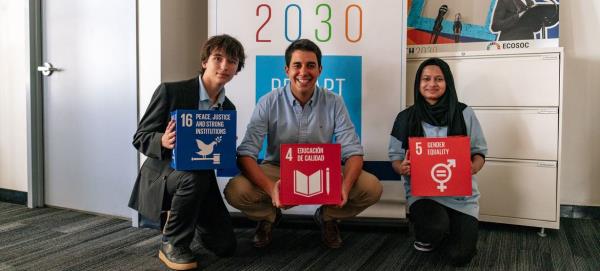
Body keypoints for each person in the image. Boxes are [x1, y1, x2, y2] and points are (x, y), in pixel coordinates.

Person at [224, 39, 382, 249]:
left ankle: (327, 216)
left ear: (320, 70)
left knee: (371, 187)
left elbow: (353, 151)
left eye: (310, 65)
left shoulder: (334, 101)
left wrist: (344, 187)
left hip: (323, 172)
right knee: (236, 190)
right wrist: (272, 189)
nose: (303, 71)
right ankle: (269, 217)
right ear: (287, 69)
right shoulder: (268, 101)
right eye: (297, 65)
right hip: (278, 170)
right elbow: (246, 153)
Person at [128, 34, 245, 270]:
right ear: (204, 62)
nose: (224, 66)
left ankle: (187, 218)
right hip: (165, 174)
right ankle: (172, 243)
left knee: (226, 247)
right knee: (195, 176)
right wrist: (164, 139)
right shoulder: (171, 92)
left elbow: (215, 158)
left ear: (237, 69)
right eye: (218, 58)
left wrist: (225, 148)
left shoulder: (227, 108)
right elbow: (140, 137)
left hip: (200, 179)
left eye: (231, 61)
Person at [388, 58, 487, 266]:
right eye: (426, 79)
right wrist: (402, 167)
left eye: (438, 79)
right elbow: (395, 158)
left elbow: (479, 153)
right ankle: (431, 233)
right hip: (424, 195)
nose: (432, 84)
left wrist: (473, 166)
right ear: (418, 83)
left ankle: (453, 229)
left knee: (459, 256)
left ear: (447, 82)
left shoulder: (464, 113)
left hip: (461, 198)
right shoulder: (406, 117)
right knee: (433, 227)